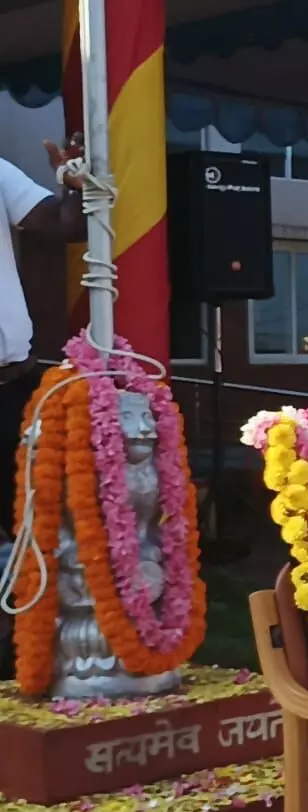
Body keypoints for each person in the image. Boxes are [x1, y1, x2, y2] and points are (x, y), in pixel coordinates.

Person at [0, 138, 87, 683]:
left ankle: (22, 661)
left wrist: (74, 183)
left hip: (12, 383)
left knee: (27, 526)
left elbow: (65, 224)